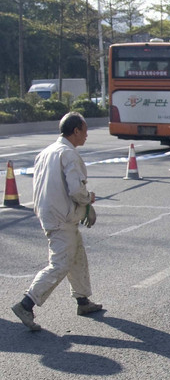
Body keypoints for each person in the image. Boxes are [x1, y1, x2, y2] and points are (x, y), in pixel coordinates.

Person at [11, 112, 102, 331]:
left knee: (77, 254)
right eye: (85, 130)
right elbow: (76, 190)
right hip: (63, 216)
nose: (87, 135)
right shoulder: (68, 154)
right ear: (76, 131)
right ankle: (27, 303)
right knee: (60, 263)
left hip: (49, 213)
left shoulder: (46, 152)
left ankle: (82, 301)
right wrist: (88, 201)